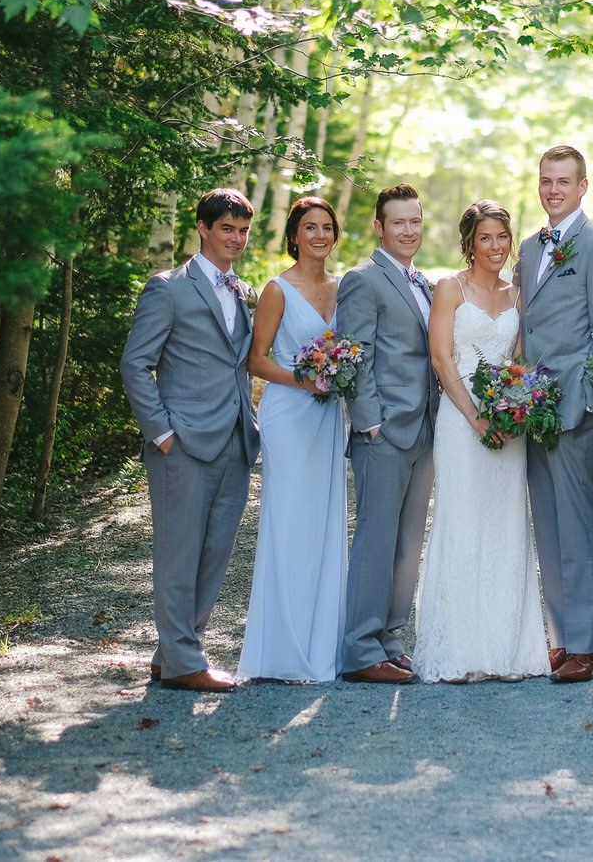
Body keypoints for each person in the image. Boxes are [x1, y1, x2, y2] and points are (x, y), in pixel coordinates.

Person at [120, 188, 260, 693]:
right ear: (202, 228)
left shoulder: (243, 290)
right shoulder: (168, 288)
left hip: (234, 438)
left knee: (215, 552)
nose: (236, 239)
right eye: (227, 229)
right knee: (179, 553)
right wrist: (161, 433)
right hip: (180, 444)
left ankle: (175, 652)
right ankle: (185, 662)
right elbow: (136, 364)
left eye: (243, 230)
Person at [412, 200, 550, 683]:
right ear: (469, 242)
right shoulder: (450, 287)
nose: (495, 247)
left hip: (506, 425)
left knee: (507, 523)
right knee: (462, 521)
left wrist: (513, 411)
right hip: (461, 420)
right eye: (485, 238)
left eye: (502, 238)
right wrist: (475, 419)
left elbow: (518, 360)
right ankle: (459, 652)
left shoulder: (518, 294)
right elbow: (441, 359)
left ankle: (508, 651)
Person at [517, 146, 593, 683]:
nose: (553, 190)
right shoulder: (527, 248)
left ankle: (587, 645)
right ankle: (562, 639)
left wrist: (588, 397)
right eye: (546, 181)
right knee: (549, 527)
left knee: (580, 526)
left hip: (574, 409)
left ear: (583, 186)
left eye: (564, 181)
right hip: (529, 410)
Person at [236, 196, 348, 683]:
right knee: (289, 524)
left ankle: (323, 646)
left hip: (328, 418)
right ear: (294, 235)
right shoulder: (277, 289)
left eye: (327, 227)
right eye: (310, 227)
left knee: (324, 524)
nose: (319, 235)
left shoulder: (343, 289)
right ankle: (279, 651)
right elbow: (256, 361)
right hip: (288, 414)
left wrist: (337, 376)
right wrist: (307, 382)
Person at [336, 184, 439, 685]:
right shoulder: (363, 279)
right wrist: (369, 421)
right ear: (379, 227)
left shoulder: (422, 282)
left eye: (415, 221)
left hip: (424, 429)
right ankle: (359, 648)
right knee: (375, 541)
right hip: (384, 433)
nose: (408, 230)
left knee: (407, 543)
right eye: (398, 222)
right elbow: (354, 355)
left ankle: (389, 639)